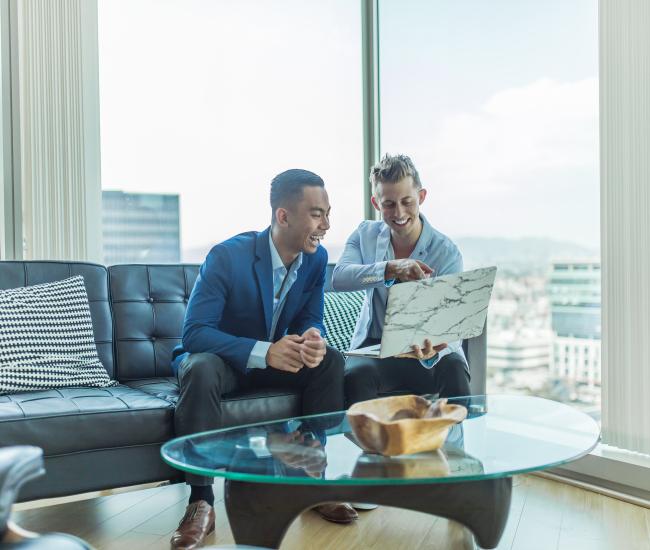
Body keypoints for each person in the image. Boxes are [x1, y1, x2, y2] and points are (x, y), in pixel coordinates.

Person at [169, 169, 355, 550]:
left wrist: (313, 336)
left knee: (330, 361)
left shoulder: (316, 260)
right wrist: (263, 351)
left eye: (328, 213)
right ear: (283, 216)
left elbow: (310, 316)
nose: (327, 225)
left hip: (276, 362)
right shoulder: (227, 256)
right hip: (224, 364)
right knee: (200, 367)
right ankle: (200, 502)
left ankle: (311, 478)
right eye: (317, 213)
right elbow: (195, 334)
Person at [332, 154, 471, 407]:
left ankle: (455, 446)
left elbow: (453, 324)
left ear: (422, 197)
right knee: (356, 376)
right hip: (376, 348)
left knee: (455, 369)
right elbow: (340, 278)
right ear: (376, 203)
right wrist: (390, 269)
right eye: (389, 204)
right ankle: (369, 447)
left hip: (428, 350)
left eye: (407, 201)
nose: (399, 213)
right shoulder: (365, 235)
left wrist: (434, 348)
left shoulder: (446, 251)